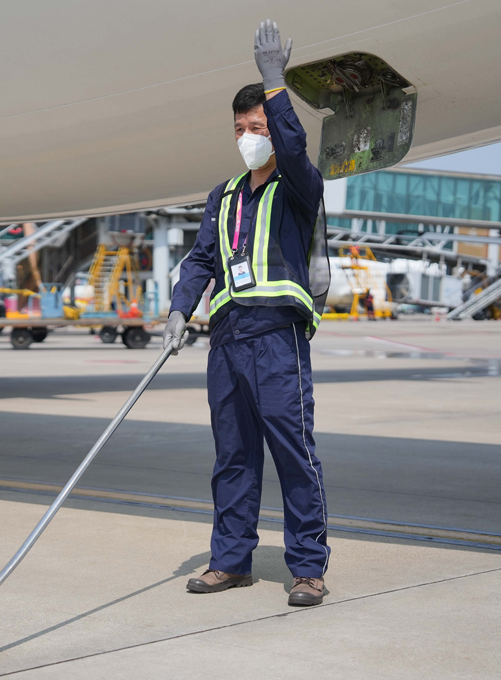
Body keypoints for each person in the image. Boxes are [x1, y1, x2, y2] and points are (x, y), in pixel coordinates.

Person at [163, 20, 330, 607]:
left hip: (277, 337)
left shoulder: (299, 186)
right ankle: (231, 560)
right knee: (233, 456)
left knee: (293, 451)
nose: (248, 137)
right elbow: (201, 259)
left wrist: (275, 82)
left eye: (257, 127)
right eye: (240, 129)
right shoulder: (224, 195)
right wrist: (179, 309)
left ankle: (308, 568)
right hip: (228, 337)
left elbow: (295, 147)